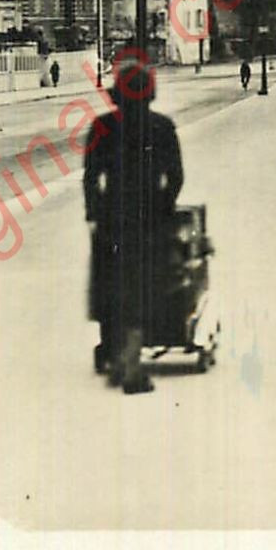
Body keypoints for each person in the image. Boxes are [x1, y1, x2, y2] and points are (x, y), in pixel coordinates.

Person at [82, 55, 184, 395]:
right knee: (142, 285)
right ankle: (131, 362)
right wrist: (165, 207)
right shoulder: (163, 127)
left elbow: (91, 178)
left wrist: (95, 213)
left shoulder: (101, 127)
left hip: (113, 216)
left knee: (110, 283)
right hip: (150, 217)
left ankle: (111, 349)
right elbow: (176, 177)